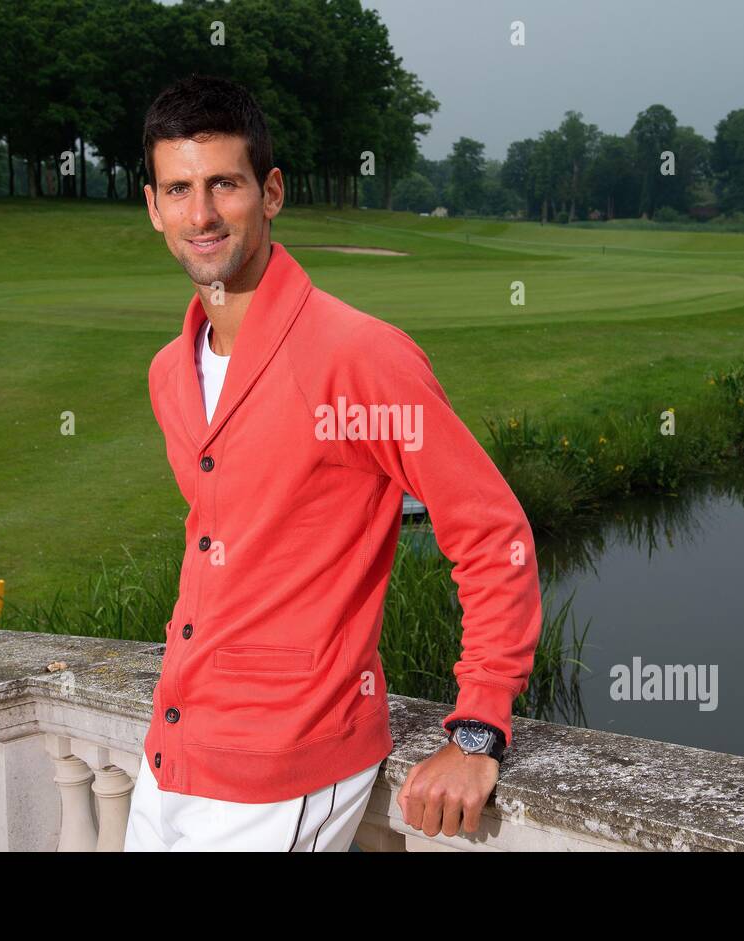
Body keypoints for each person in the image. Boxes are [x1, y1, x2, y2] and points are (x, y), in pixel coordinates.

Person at [123, 74, 542, 852]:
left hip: (285, 771)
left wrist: (479, 728)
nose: (202, 214)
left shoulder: (360, 359)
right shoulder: (168, 372)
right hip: (172, 754)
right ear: (154, 206)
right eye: (179, 189)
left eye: (225, 184)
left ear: (271, 191)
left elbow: (493, 534)